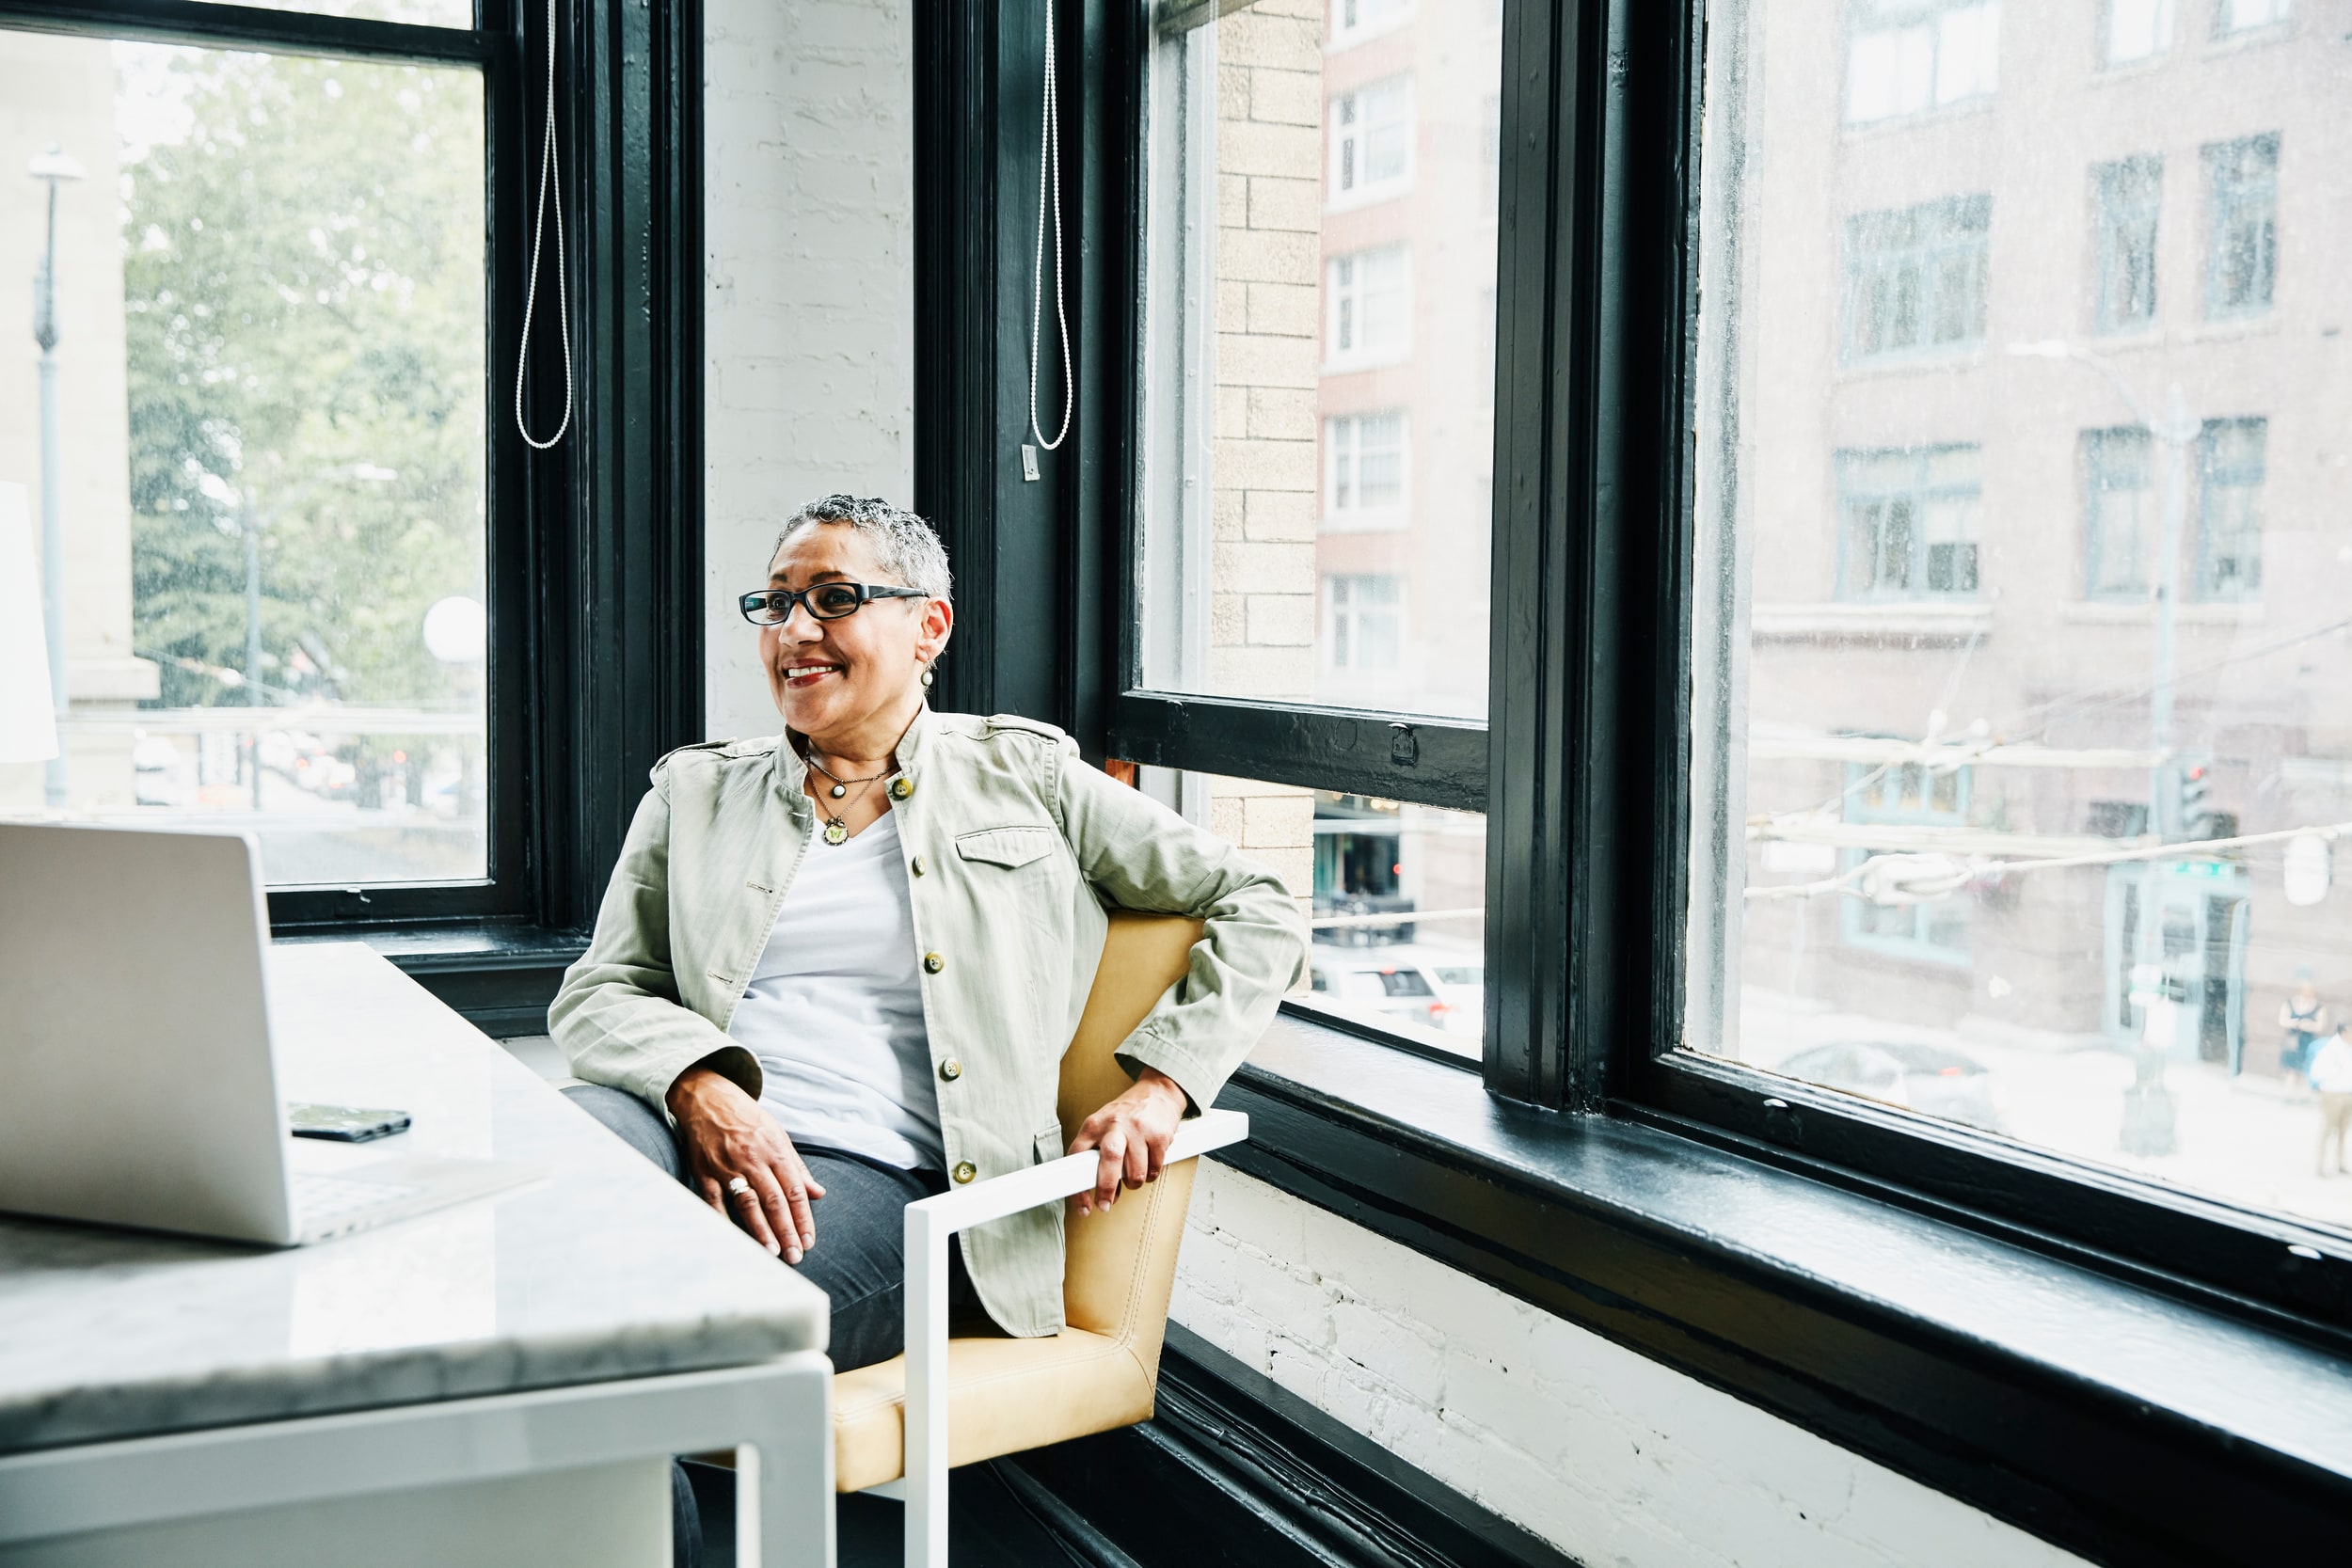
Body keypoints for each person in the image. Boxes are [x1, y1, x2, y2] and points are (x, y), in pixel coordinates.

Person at [549, 493, 1307, 1371]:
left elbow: (1261, 902)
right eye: (777, 602)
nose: (794, 631)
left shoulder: (1026, 775)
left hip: (891, 1183)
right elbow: (600, 991)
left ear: (929, 626)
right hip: (677, 1123)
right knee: (536, 1217)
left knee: (673, 1332)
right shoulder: (695, 794)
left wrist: (1162, 1086)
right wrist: (701, 1089)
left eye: (833, 598)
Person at [2312, 1022, 2352, 1178]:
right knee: (2328, 1129)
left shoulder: (2349, 1048)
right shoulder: (2331, 1049)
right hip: (2333, 1093)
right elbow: (2318, 1072)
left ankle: (2340, 1163)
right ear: (2343, 1032)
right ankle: (2321, 1165)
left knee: (2344, 1130)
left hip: (2348, 1093)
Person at [2278, 971, 2329, 1082]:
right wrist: (2294, 1023)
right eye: (2304, 990)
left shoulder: (2319, 1007)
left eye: (2310, 991)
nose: (2307, 993)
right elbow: (2282, 1020)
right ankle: (2289, 1087)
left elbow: (2320, 1026)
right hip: (2292, 1040)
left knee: (2304, 1068)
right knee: (2290, 1068)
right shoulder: (2290, 1003)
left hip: (2307, 1041)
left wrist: (2308, 1025)